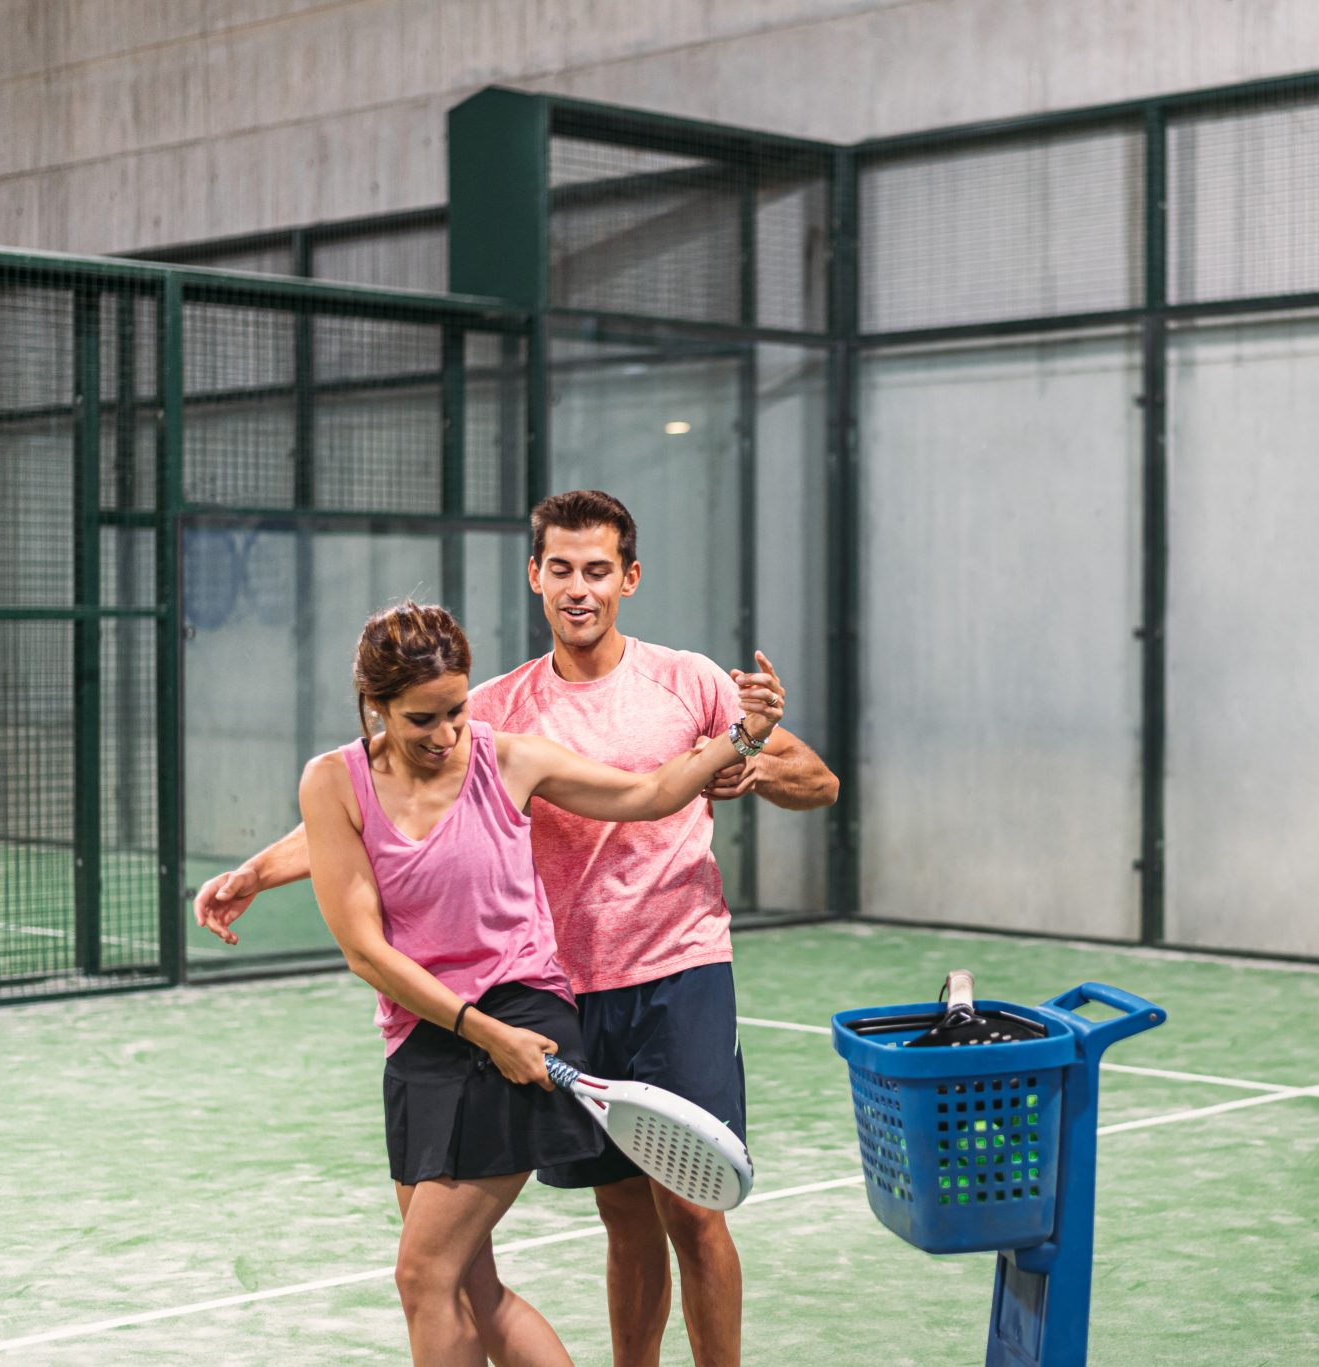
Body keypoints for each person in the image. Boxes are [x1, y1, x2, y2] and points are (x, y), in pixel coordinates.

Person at [196, 490, 840, 1367]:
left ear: (629, 578)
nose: (579, 588)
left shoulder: (688, 680)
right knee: (623, 1212)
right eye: (562, 569)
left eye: (598, 570)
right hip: (569, 979)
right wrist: (256, 871)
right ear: (536, 575)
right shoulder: (486, 709)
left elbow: (814, 780)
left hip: (676, 966)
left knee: (693, 1211)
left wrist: (747, 758)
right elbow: (378, 812)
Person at [304, 599, 782, 1367]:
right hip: (427, 1033)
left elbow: (648, 793)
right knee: (467, 1286)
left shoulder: (506, 758)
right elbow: (365, 950)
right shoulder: (333, 782)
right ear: (376, 707)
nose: (447, 734)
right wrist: (250, 874)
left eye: (456, 711)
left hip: (524, 1017)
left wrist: (742, 736)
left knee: (424, 1274)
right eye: (423, 719)